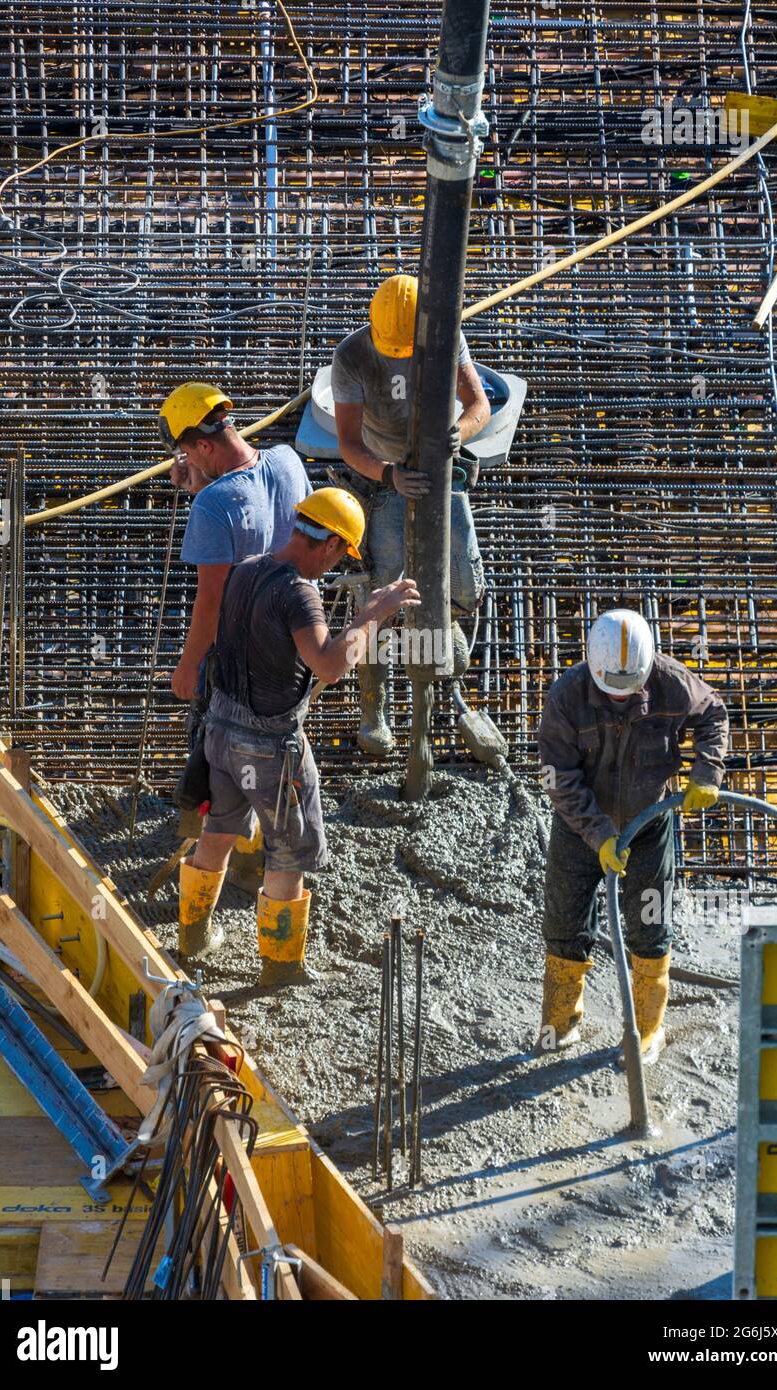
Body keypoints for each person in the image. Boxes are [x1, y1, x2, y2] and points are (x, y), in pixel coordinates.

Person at [177, 487, 420, 981]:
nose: (334, 566)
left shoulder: (246, 569)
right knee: (288, 848)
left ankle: (193, 936)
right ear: (329, 542)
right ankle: (280, 966)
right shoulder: (297, 592)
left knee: (218, 830)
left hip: (219, 732)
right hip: (268, 748)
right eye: (340, 554)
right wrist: (372, 615)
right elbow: (328, 665)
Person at [536, 608, 729, 1065]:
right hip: (581, 826)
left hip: (650, 824)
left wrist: (707, 771)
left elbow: (713, 715)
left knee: (649, 925)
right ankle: (560, 1023)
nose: (621, 699)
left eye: (630, 691)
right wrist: (600, 834)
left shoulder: (669, 680)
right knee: (565, 922)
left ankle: (647, 1030)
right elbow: (557, 776)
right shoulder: (566, 697)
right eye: (612, 692)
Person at [331, 273, 491, 754]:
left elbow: (479, 404)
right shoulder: (353, 356)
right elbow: (348, 444)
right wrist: (387, 476)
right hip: (386, 472)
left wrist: (459, 433)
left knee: (465, 588)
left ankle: (448, 654)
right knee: (381, 597)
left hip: (440, 470)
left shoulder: (446, 338)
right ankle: (374, 710)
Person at [158, 381, 311, 702]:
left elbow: (213, 599)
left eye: (188, 453)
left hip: (242, 660)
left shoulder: (211, 504)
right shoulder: (288, 460)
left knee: (222, 746)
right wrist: (202, 482)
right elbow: (254, 514)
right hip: (293, 645)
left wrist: (189, 665)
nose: (189, 462)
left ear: (204, 446)